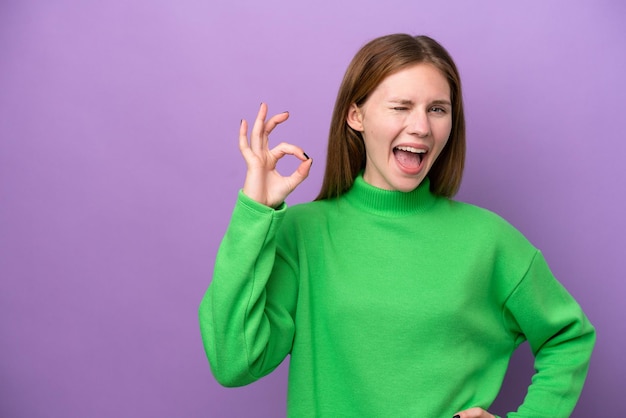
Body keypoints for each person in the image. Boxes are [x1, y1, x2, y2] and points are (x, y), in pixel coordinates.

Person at [199, 34, 595, 417]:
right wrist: (254, 213)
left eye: (437, 109)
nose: (421, 126)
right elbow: (234, 363)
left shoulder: (490, 240)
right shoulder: (302, 234)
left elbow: (569, 336)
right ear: (356, 115)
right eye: (401, 106)